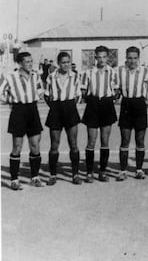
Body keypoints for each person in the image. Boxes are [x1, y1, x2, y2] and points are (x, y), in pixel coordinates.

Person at [0, 52, 44, 190]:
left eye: (31, 61)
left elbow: (40, 90)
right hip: (18, 111)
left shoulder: (35, 76)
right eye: (27, 62)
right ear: (20, 63)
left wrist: (34, 96)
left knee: (35, 145)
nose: (30, 64)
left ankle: (35, 177)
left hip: (32, 109)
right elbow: (1, 92)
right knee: (17, 146)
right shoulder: (11, 77)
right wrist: (10, 101)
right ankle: (14, 179)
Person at [117, 46, 148, 181]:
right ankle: (123, 171)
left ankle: (139, 170)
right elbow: (115, 87)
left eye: (135, 58)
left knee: (140, 140)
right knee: (125, 140)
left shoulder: (145, 71)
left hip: (140, 105)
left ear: (138, 58)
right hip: (126, 104)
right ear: (126, 58)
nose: (132, 61)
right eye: (129, 58)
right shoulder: (120, 71)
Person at [81, 45, 119, 183]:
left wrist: (110, 99)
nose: (102, 60)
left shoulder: (113, 72)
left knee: (105, 140)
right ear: (95, 57)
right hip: (93, 104)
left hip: (107, 105)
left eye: (104, 57)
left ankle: (102, 171)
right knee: (91, 140)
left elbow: (116, 90)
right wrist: (92, 100)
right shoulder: (88, 72)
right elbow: (84, 91)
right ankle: (89, 172)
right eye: (99, 57)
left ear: (107, 57)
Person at [44, 52, 82, 185]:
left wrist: (69, 106)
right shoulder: (51, 77)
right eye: (63, 62)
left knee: (73, 143)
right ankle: (52, 175)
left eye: (68, 62)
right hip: (56, 109)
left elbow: (78, 96)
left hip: (70, 108)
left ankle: (75, 174)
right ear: (58, 63)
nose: (66, 65)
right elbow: (47, 95)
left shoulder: (75, 76)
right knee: (54, 144)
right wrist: (55, 107)